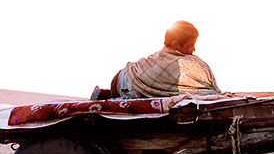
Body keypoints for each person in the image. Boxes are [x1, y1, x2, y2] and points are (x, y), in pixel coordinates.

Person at [92, 20, 222, 99]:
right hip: (122, 84)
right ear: (176, 45)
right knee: (143, 93)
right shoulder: (171, 65)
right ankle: (107, 94)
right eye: (190, 45)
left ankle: (105, 94)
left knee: (146, 90)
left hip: (125, 76)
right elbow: (168, 92)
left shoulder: (169, 57)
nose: (193, 49)